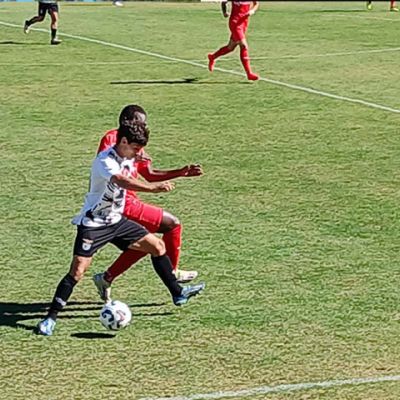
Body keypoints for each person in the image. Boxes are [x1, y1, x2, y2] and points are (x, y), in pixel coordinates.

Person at [36, 122, 205, 336]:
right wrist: (152, 189)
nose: (138, 152)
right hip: (94, 224)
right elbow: (121, 180)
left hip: (116, 221)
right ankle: (50, 318)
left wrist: (177, 171)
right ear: (123, 141)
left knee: (157, 246)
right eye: (135, 148)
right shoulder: (104, 160)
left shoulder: (128, 155)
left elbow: (147, 170)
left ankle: (178, 293)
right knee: (77, 271)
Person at [92, 105, 203, 303]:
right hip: (120, 202)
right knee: (172, 224)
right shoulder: (112, 138)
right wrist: (149, 185)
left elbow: (149, 174)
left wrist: (181, 172)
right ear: (127, 122)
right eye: (140, 122)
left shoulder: (137, 142)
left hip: (130, 200)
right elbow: (110, 170)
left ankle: (106, 277)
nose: (144, 126)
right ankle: (172, 272)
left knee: (147, 244)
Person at [208, 1, 259, 81]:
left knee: (230, 47)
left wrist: (252, 10)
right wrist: (225, 13)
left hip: (244, 22)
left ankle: (212, 57)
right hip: (235, 23)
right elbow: (224, 2)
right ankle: (249, 73)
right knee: (243, 45)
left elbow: (256, 3)